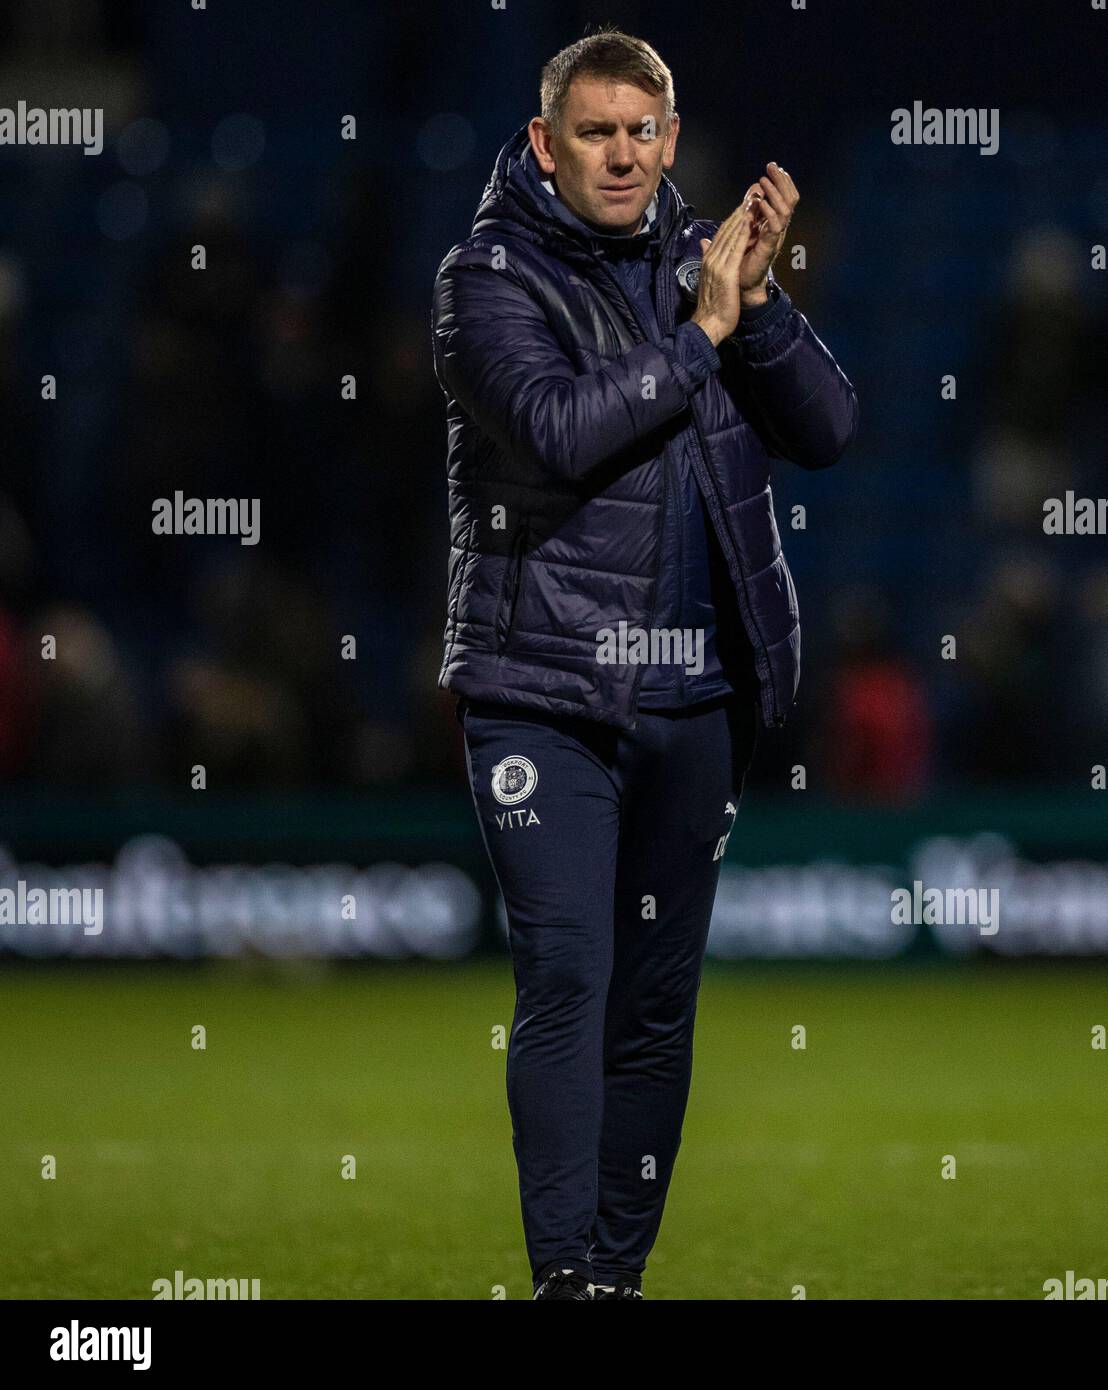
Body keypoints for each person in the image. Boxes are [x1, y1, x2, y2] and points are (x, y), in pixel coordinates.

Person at [431, 29, 857, 1299]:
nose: (620, 155)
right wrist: (698, 339)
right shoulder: (485, 278)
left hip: (698, 699)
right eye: (594, 132)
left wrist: (761, 303)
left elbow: (831, 429)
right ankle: (564, 1275)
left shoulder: (706, 267)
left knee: (656, 1008)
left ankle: (615, 1278)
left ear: (671, 140)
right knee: (568, 972)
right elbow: (560, 432)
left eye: (641, 132)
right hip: (544, 696)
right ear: (542, 143)